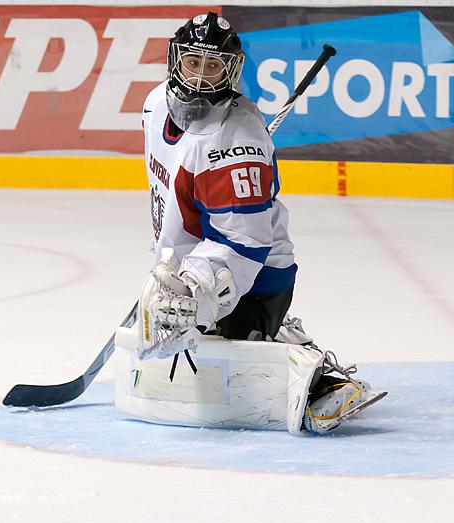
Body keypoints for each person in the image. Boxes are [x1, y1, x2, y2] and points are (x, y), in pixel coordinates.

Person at [128, 12, 385, 434]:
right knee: (167, 340)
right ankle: (262, 332)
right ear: (175, 60)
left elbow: (243, 243)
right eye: (193, 62)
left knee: (225, 360)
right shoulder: (156, 104)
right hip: (198, 263)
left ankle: (310, 369)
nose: (201, 76)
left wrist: (190, 292)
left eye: (213, 66)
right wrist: (169, 270)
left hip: (254, 277)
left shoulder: (237, 142)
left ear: (231, 70)